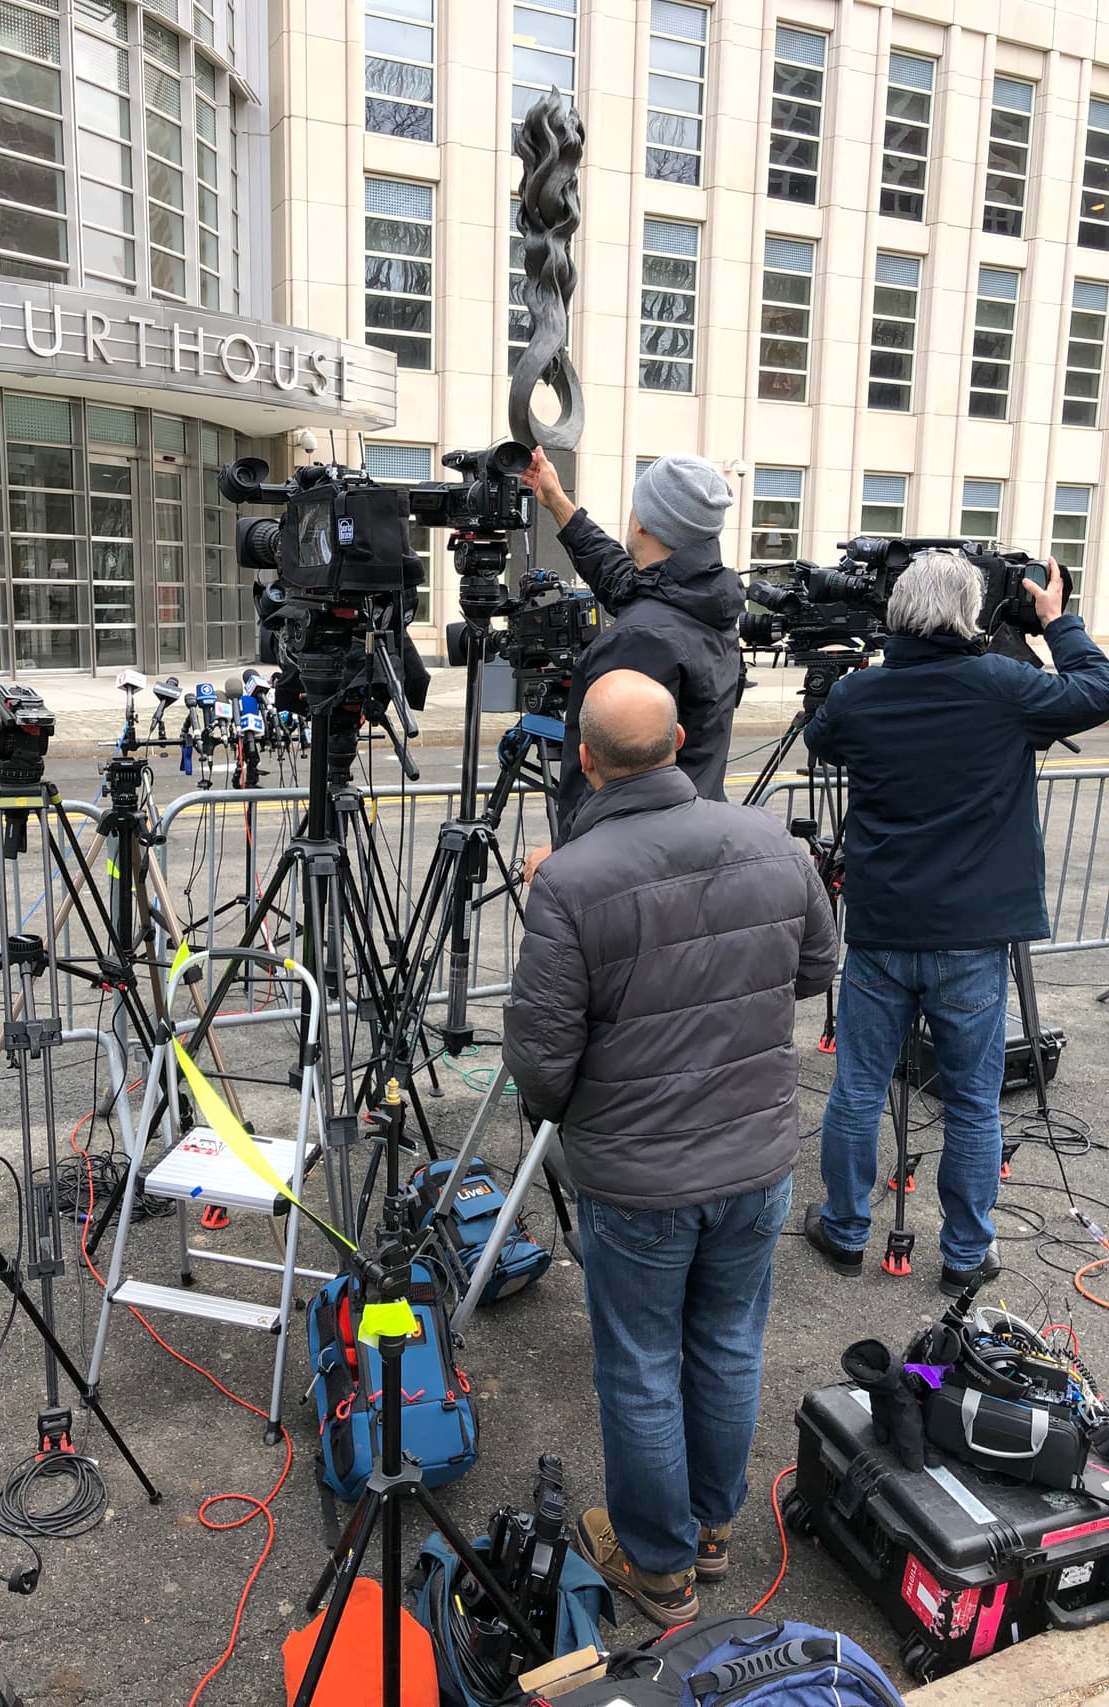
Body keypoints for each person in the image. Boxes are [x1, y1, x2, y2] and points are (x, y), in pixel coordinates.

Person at [502, 669, 838, 1627]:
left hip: (639, 1177)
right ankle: (709, 1528)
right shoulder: (771, 841)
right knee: (727, 1343)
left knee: (642, 1365)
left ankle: (659, 1566)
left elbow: (541, 1062)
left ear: (584, 758)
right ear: (681, 740)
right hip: (755, 1160)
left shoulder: (568, 880)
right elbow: (816, 965)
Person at [802, 550, 1109, 1295]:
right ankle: (966, 1254)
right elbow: (1097, 688)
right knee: (973, 1102)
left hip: (882, 932)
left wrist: (837, 677)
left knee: (858, 1088)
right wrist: (1056, 620)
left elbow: (820, 736)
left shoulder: (861, 694)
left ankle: (845, 1231)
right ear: (970, 615)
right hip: (972, 938)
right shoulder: (1003, 685)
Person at [519, 446, 743, 879]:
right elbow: (623, 581)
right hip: (689, 849)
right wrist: (557, 501)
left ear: (641, 522)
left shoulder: (642, 638)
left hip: (634, 869)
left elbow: (616, 774)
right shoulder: (704, 602)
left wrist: (569, 855)